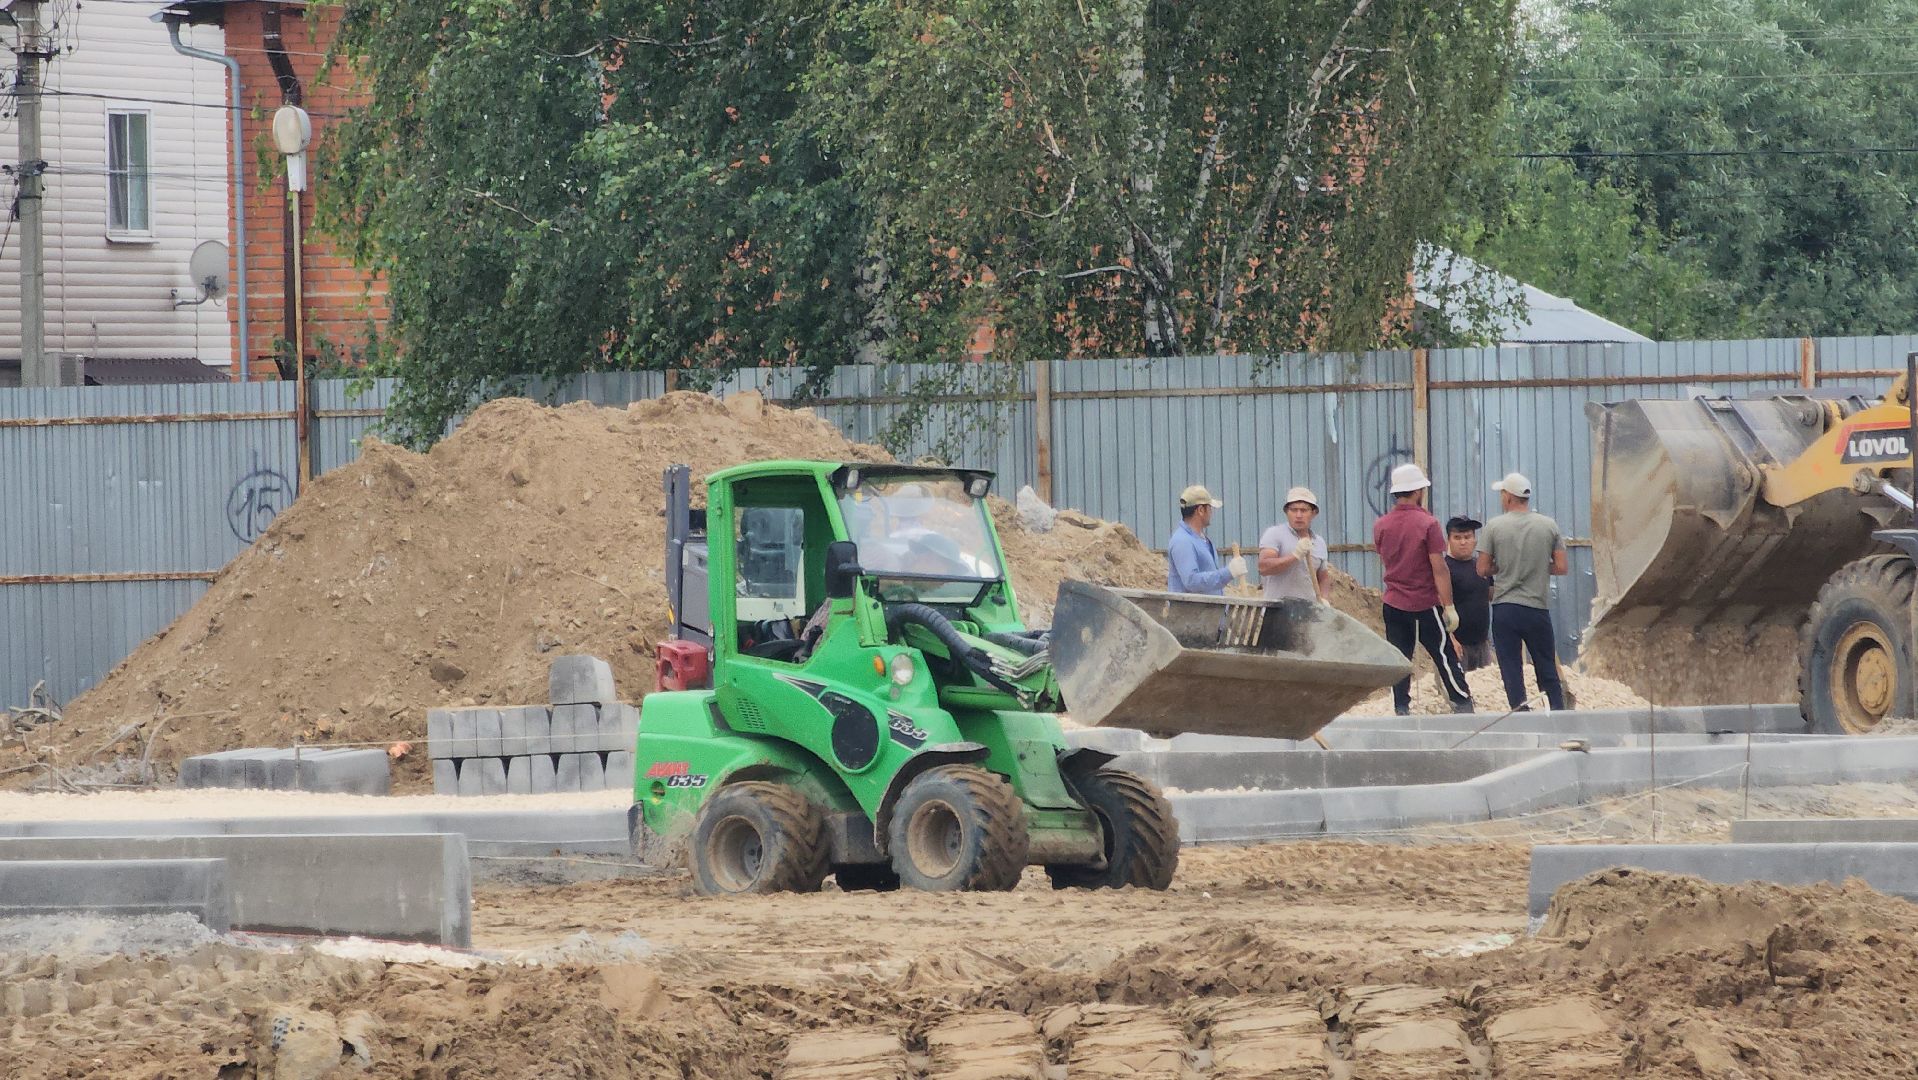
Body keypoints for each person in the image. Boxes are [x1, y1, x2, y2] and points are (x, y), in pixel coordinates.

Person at [1372, 463, 1474, 715]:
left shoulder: (1381, 525)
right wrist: (1448, 606)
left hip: (1393, 602)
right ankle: (1461, 701)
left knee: (1399, 657)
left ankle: (1401, 707)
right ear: (1418, 491)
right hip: (1423, 603)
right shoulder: (1427, 523)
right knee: (1443, 654)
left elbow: (1384, 558)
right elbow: (1439, 568)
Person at [1477, 472, 1569, 711]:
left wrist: (1504, 566)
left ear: (1508, 496)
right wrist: (1537, 565)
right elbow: (1561, 567)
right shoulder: (1549, 525)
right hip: (1537, 608)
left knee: (1511, 667)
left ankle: (1520, 713)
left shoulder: (1494, 526)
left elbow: (1482, 568)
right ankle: (1557, 712)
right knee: (1546, 665)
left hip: (1505, 608)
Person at [1167, 484, 1244, 595]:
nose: (1211, 512)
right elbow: (1191, 581)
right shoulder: (1182, 542)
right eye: (1210, 508)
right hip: (1191, 612)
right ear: (1201, 510)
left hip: (1206, 612)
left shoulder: (1201, 540)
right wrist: (1229, 572)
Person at [1258, 486, 1331, 602]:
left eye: (1304, 510)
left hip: (1309, 613)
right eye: (1293, 510)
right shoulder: (1274, 534)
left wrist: (1324, 599)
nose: (1298, 515)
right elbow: (1264, 567)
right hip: (1278, 611)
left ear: (1314, 513)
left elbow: (1323, 578)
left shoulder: (1319, 542)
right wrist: (1295, 556)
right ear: (1286, 512)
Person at [1444, 515, 1494, 671]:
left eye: (1467, 537)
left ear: (1475, 539)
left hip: (1482, 645)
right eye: (1457, 537)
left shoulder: (1481, 566)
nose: (1463, 542)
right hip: (1456, 645)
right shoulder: (1444, 569)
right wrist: (1450, 640)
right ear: (1449, 540)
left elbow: (1492, 596)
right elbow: (1438, 608)